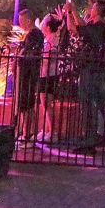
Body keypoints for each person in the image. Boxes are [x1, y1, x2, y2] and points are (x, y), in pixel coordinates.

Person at [64, 0, 105, 149]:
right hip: (88, 67)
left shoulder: (100, 26)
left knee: (90, 102)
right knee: (90, 102)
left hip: (94, 69)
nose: (90, 10)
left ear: (97, 10)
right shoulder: (92, 25)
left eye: (93, 8)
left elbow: (82, 28)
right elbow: (73, 28)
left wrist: (73, 10)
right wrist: (68, 13)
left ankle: (93, 138)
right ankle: (93, 137)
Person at [33, 16, 65, 145]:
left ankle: (52, 131)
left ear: (47, 26)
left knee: (46, 104)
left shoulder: (50, 40)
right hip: (47, 74)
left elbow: (48, 59)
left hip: (47, 75)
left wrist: (38, 56)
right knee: (45, 104)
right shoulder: (50, 39)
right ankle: (46, 130)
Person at [16, 10, 46, 140]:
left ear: (28, 20)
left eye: (21, 21)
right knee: (26, 103)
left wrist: (21, 52)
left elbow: (30, 53)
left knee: (26, 103)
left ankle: (27, 132)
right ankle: (27, 131)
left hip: (28, 73)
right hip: (28, 72)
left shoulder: (34, 34)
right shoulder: (34, 34)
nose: (19, 23)